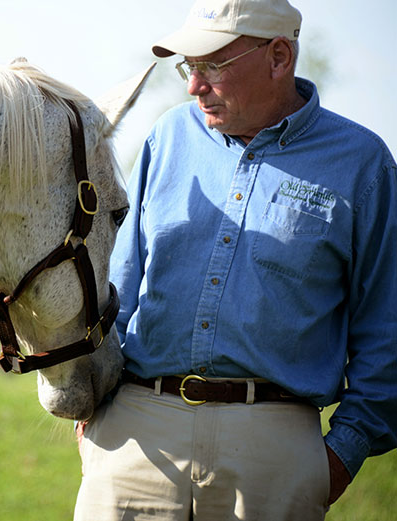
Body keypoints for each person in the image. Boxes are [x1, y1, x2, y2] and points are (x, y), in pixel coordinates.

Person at [73, 0, 397, 519]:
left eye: (212, 67)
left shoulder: (363, 164)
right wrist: (95, 416)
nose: (193, 86)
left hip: (274, 451)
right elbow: (121, 286)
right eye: (189, 67)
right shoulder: (168, 136)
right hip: (136, 433)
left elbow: (387, 332)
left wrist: (339, 456)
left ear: (278, 57)